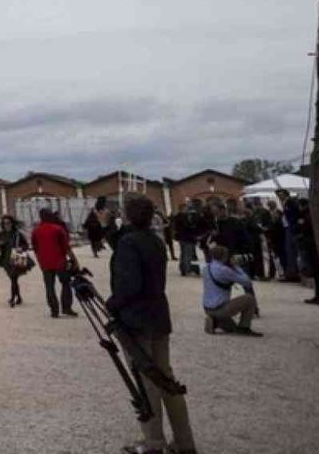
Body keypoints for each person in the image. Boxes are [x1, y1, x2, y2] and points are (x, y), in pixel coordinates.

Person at [106, 193, 196, 454]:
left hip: (136, 319)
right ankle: (184, 441)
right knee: (166, 379)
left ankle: (153, 442)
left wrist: (112, 304)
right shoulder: (154, 241)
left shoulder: (128, 243)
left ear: (127, 216)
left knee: (146, 383)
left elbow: (129, 285)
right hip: (158, 314)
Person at [201, 245, 260, 336]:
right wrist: (236, 267)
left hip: (207, 308)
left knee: (232, 329)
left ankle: (214, 321)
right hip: (220, 308)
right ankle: (244, 327)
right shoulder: (224, 270)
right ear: (224, 256)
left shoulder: (207, 267)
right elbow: (247, 282)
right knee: (249, 299)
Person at [29, 209, 77, 318]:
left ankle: (54, 310)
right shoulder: (58, 229)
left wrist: (40, 260)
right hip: (60, 261)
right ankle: (66, 307)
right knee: (65, 283)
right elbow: (66, 247)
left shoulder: (36, 231)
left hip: (45, 262)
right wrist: (74, 260)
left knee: (49, 286)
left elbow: (35, 248)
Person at [295, 199, 319, 306]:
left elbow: (303, 228)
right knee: (317, 273)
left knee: (318, 272)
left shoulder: (307, 215)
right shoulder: (309, 214)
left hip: (312, 246)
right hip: (312, 246)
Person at [0, 215, 30, 307]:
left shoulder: (17, 234)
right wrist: (0, 245)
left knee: (14, 278)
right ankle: (19, 297)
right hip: (5, 259)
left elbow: (26, 245)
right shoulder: (0, 234)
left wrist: (21, 248)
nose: (7, 225)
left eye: (8, 223)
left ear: (12, 223)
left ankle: (13, 298)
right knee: (13, 279)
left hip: (16, 257)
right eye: (5, 223)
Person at [171, 200, 208, 277]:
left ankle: (183, 268)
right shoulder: (186, 216)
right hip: (188, 238)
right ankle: (186, 269)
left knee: (183, 253)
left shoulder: (178, 216)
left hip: (182, 238)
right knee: (187, 254)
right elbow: (189, 226)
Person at [264, 199, 287, 281]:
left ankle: (282, 273)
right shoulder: (269, 214)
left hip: (277, 239)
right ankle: (277, 273)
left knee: (279, 256)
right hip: (273, 238)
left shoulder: (278, 216)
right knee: (274, 256)